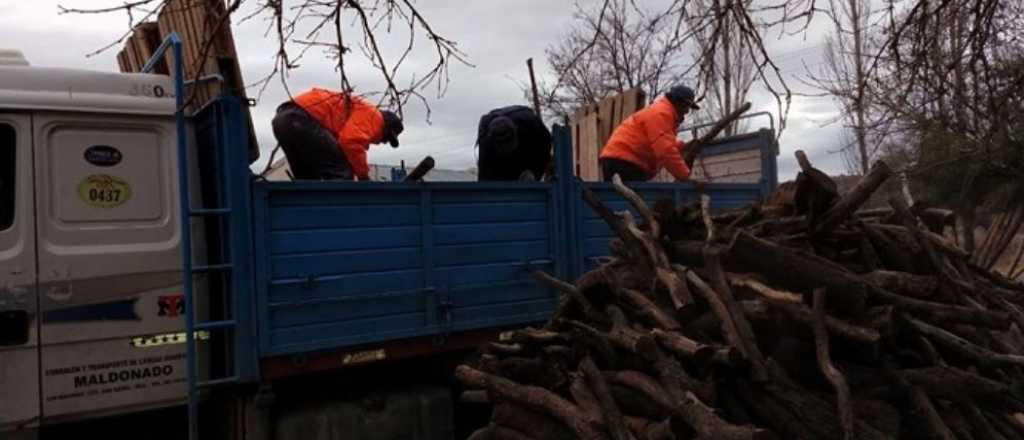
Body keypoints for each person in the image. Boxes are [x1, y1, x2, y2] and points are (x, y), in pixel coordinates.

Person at [272, 88, 404, 181]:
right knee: (342, 170)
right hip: (302, 118)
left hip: (282, 120)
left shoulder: (354, 111)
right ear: (386, 127)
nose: (384, 142)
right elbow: (351, 142)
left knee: (307, 178)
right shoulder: (375, 117)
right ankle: (340, 216)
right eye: (387, 138)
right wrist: (363, 176)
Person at [598, 85, 700, 182]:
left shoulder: (662, 112)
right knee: (636, 198)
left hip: (621, 159)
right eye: (685, 106)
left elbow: (663, 142)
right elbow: (665, 150)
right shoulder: (661, 113)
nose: (686, 111)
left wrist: (682, 146)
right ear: (677, 102)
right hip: (624, 162)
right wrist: (685, 176)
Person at [476, 105, 552, 181]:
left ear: (516, 129)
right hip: (499, 162)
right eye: (502, 147)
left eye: (508, 144)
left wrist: (535, 172)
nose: (507, 149)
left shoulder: (532, 125)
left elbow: (545, 149)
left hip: (527, 150)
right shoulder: (486, 141)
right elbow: (484, 173)